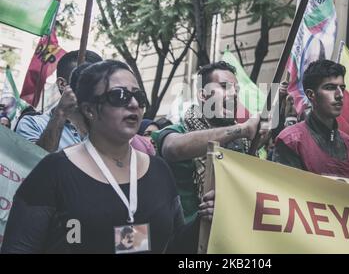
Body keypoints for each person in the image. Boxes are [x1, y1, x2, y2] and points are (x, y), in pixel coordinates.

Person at [1, 60, 212, 253]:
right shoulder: (53, 171)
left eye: (138, 96)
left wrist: (204, 219)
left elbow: (172, 245)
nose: (133, 104)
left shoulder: (159, 170)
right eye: (119, 96)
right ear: (90, 110)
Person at [152, 61, 261, 222]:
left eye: (236, 90)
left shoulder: (244, 143)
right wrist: (242, 129)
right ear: (203, 95)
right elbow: (173, 149)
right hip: (186, 241)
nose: (234, 94)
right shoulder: (175, 132)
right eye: (224, 86)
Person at [274, 60, 349, 185]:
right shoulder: (291, 140)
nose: (340, 95)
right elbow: (288, 195)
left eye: (342, 88)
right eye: (330, 88)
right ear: (311, 94)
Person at [15, 50, 102, 152]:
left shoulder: (109, 128)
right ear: (62, 84)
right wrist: (60, 114)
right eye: (87, 81)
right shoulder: (33, 124)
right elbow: (36, 162)